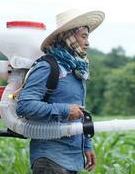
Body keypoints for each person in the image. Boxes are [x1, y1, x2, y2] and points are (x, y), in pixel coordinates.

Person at [16, 9, 105, 174]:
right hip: (50, 159)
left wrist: (86, 145)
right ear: (68, 37)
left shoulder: (75, 70)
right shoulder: (48, 67)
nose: (87, 43)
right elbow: (24, 105)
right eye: (83, 36)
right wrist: (64, 110)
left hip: (72, 158)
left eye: (88, 37)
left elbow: (80, 113)